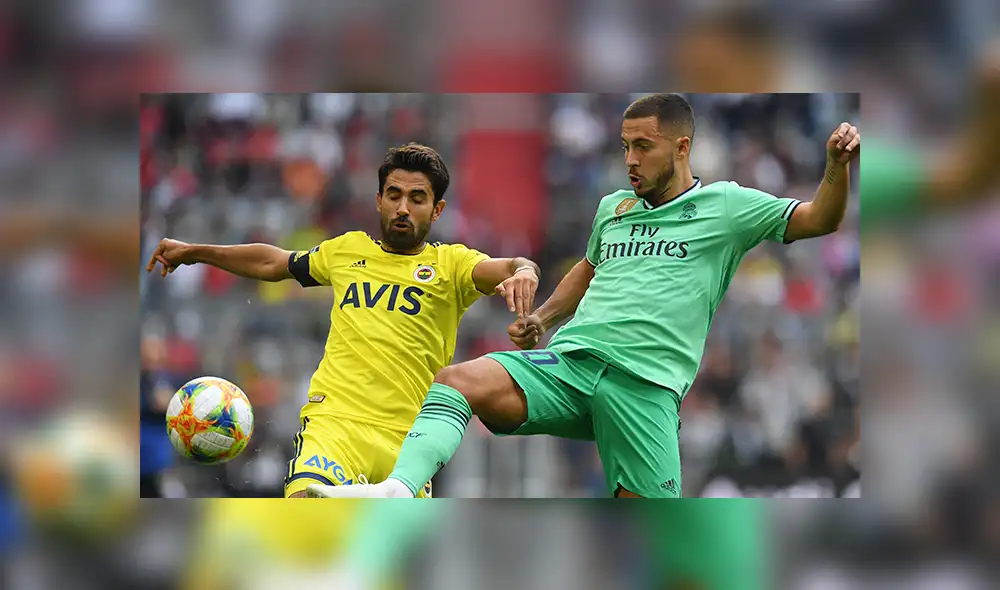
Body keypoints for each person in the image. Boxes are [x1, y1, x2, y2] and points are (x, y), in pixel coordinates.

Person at [306, 93, 858, 499]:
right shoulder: (613, 208)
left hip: (644, 387)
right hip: (570, 366)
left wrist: (834, 169)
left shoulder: (727, 206)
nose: (631, 159)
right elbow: (588, 271)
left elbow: (818, 219)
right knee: (457, 381)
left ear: (682, 146)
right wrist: (542, 318)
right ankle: (399, 492)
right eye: (625, 147)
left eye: (644, 146)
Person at [146, 143, 540, 498]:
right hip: (334, 423)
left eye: (417, 198)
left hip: (407, 443)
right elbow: (273, 261)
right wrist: (196, 251)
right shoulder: (347, 251)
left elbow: (510, 266)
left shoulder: (453, 265)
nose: (403, 207)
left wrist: (524, 271)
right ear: (379, 201)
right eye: (394, 195)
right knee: (306, 515)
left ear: (437, 209)